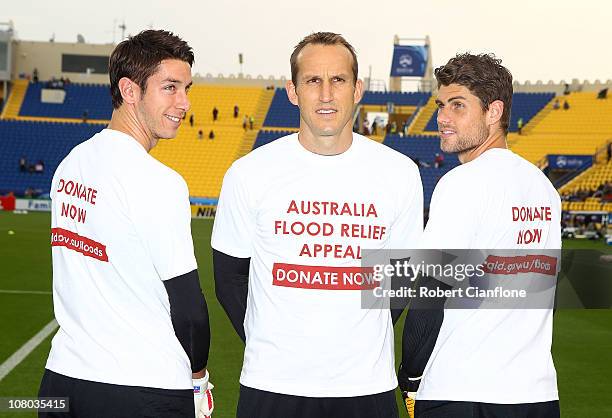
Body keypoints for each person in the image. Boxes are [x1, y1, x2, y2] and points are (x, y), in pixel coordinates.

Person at [212, 31, 423, 418]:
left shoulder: (399, 174)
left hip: (366, 386)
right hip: (272, 384)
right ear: (292, 91)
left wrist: (357, 335)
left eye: (338, 80)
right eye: (313, 81)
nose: (326, 94)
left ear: (357, 89)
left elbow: (402, 280)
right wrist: (273, 339)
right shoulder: (249, 173)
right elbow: (229, 281)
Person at [38, 29, 214, 418]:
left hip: (61, 382)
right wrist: (199, 377)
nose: (183, 102)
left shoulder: (71, 163)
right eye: (170, 87)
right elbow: (188, 308)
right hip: (141, 388)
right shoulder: (159, 182)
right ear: (129, 90)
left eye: (186, 88)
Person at [400, 53, 561, 418]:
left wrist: (410, 372)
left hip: (462, 390)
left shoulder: (462, 183)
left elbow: (430, 289)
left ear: (493, 112)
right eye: (441, 105)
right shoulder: (544, 188)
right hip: (534, 394)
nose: (442, 118)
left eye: (458, 106)